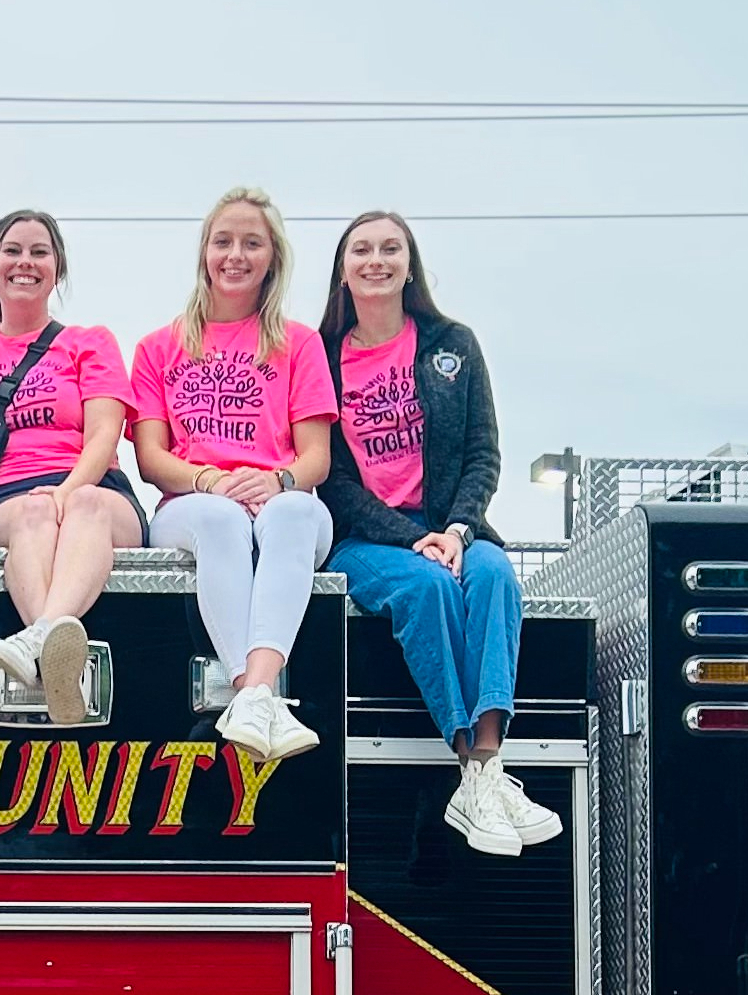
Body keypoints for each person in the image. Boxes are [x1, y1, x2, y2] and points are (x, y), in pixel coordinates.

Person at [318, 211, 542, 855]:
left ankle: (486, 766)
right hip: (367, 541)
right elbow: (331, 479)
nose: (376, 260)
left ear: (409, 264)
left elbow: (482, 453)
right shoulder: (323, 357)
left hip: (453, 528)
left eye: (391, 248)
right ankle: (468, 759)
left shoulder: (453, 345)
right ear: (343, 269)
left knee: (497, 573)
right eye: (362, 250)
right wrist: (410, 537)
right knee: (428, 591)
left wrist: (457, 530)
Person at [129, 189, 334, 766]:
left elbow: (317, 456)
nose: (235, 254)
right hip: (192, 502)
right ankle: (261, 696)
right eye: (223, 241)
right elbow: (150, 457)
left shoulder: (300, 343)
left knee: (294, 513)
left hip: (280, 498)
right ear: (204, 253)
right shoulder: (158, 346)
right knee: (220, 520)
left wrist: (279, 481)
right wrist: (210, 481)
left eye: (252, 242)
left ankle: (252, 693)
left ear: (273, 257)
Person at [0, 209, 140, 750]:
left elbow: (105, 434)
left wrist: (69, 487)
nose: (24, 263)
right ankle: (54, 652)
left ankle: (34, 642)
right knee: (33, 512)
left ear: (57, 268)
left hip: (93, 484)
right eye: (12, 251)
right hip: (6, 497)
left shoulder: (90, 341)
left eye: (39, 252)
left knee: (85, 509)